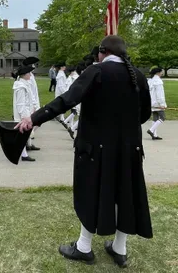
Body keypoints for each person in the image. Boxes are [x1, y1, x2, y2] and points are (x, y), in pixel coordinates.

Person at [16, 35, 153, 268]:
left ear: (102, 52)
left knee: (90, 193)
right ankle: (119, 248)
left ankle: (83, 247)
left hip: (95, 149)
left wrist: (35, 118)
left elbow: (66, 100)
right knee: (125, 195)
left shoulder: (96, 71)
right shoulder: (137, 76)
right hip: (129, 149)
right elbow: (145, 115)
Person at [13, 65, 36, 162]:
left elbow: (29, 99)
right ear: (24, 75)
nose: (30, 75)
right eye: (29, 73)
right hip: (24, 115)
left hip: (27, 113)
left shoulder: (24, 84)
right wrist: (24, 117)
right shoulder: (21, 86)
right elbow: (21, 103)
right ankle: (23, 154)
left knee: (24, 135)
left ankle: (24, 153)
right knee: (22, 135)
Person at [147, 67, 167, 140]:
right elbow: (160, 94)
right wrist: (162, 104)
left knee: (155, 118)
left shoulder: (150, 81)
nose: (162, 73)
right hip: (157, 103)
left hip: (152, 102)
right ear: (158, 73)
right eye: (161, 72)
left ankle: (154, 135)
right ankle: (151, 130)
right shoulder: (158, 81)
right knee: (162, 117)